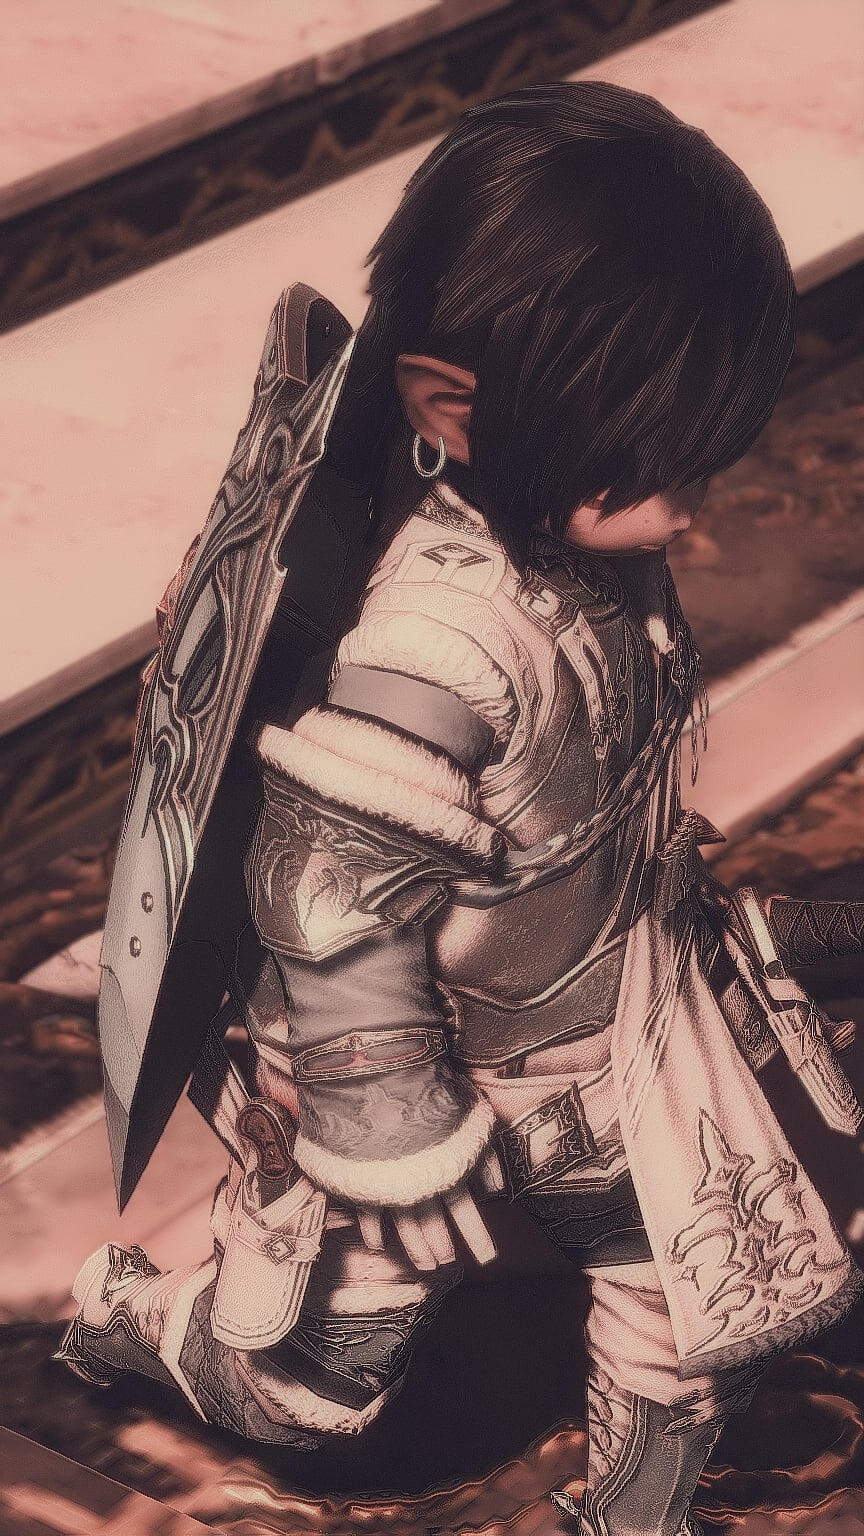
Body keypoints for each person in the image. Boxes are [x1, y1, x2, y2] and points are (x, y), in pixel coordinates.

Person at [57, 84, 863, 1536]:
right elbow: (323, 891)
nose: (686, 511)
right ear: (451, 408)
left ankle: (633, 1506)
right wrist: (389, 1126)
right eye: (650, 468)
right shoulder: (434, 644)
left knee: (681, 1292)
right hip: (437, 1053)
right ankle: (141, 1315)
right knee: (316, 1381)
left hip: (606, 1024)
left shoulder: (581, 539)